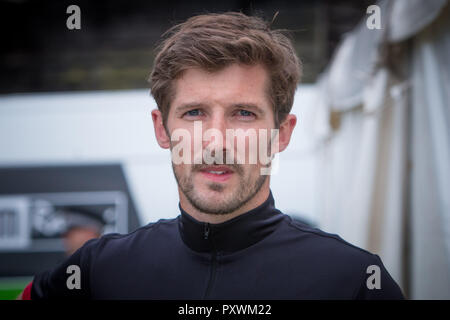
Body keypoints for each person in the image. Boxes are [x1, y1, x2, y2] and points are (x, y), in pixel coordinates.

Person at [19, 12, 404, 299]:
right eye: (194, 113)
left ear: (281, 134)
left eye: (243, 113)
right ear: (161, 128)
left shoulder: (354, 281)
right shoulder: (97, 271)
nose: (216, 141)